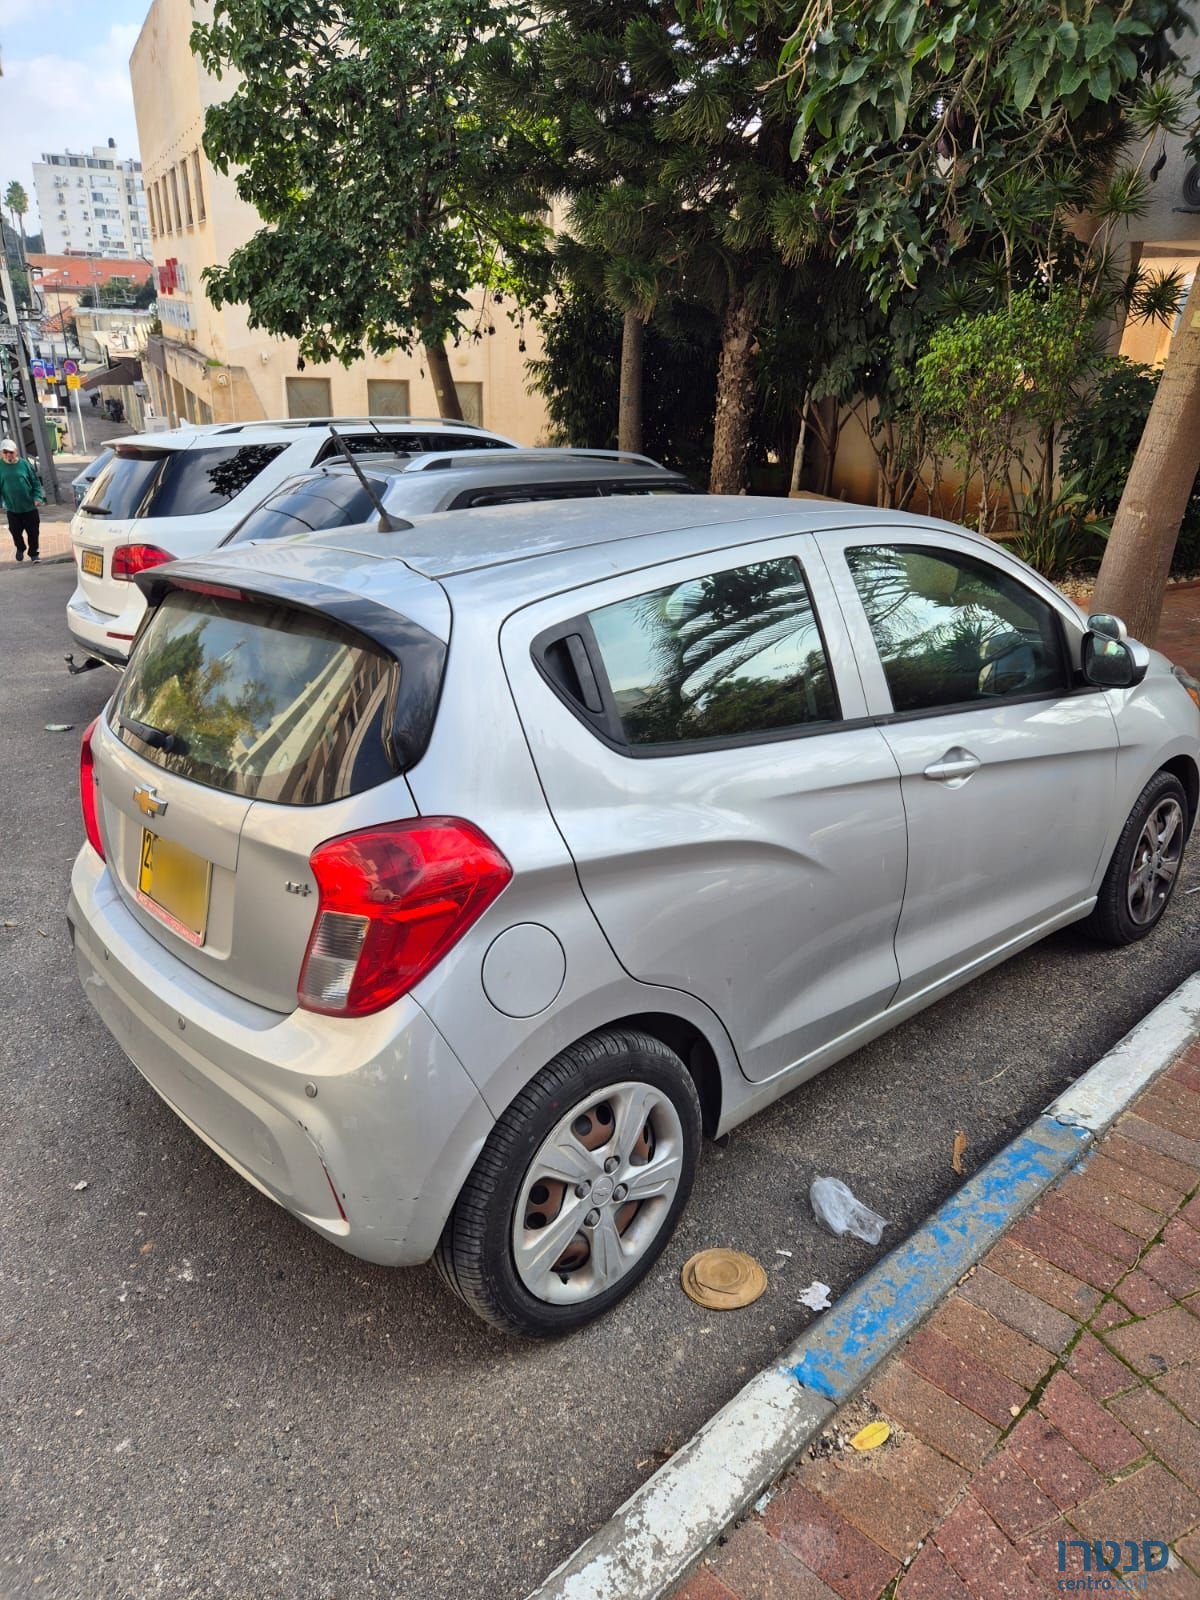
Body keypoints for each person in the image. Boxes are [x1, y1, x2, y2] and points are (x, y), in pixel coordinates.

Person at [0, 438, 45, 564]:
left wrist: (37, 497)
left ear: (16, 451)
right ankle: (20, 548)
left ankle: (34, 554)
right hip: (12, 508)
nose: (8, 454)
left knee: (33, 533)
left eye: (11, 452)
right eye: (5, 452)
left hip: (29, 507)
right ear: (1, 453)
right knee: (15, 532)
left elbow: (35, 482)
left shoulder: (24, 464)